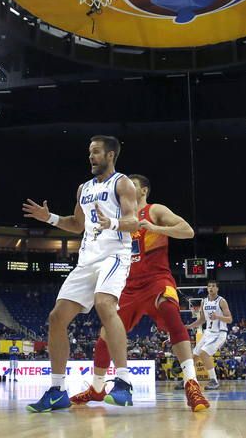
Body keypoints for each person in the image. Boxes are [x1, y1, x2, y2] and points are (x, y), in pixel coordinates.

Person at [69, 175, 209, 412]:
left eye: (130, 184)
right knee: (105, 336)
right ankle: (97, 387)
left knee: (171, 314)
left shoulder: (155, 210)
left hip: (156, 280)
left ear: (143, 190)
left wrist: (156, 227)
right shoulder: (118, 216)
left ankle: (191, 383)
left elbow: (187, 231)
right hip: (126, 285)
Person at [22, 135, 138, 412]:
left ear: (110, 155)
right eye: (90, 152)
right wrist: (48, 218)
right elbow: (76, 224)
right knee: (57, 317)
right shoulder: (83, 188)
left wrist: (113, 222)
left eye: (96, 152)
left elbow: (133, 221)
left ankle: (123, 383)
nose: (91, 157)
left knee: (104, 303)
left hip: (114, 255)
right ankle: (57, 390)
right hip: (86, 260)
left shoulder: (122, 183)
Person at [183, 279, 232, 390]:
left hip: (219, 333)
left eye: (213, 286)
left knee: (204, 354)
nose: (211, 288)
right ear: (207, 288)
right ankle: (187, 379)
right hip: (208, 333)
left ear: (217, 288)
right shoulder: (203, 301)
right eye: (209, 286)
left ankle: (214, 380)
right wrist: (189, 326)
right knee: (193, 357)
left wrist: (218, 317)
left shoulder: (221, 301)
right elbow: (202, 320)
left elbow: (230, 319)